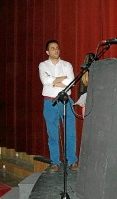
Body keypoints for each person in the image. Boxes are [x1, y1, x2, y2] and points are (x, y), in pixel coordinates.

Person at [39, 39, 78, 173]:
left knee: (70, 132)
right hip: (50, 102)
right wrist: (61, 79)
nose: (56, 50)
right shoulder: (43, 65)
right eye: (53, 48)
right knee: (53, 134)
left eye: (57, 48)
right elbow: (45, 81)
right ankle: (55, 162)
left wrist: (53, 81)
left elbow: (71, 82)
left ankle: (72, 161)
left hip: (66, 101)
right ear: (47, 51)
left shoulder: (67, 65)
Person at [76, 53, 96, 118]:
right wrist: (81, 102)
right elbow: (81, 92)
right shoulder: (84, 75)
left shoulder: (99, 73)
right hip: (87, 105)